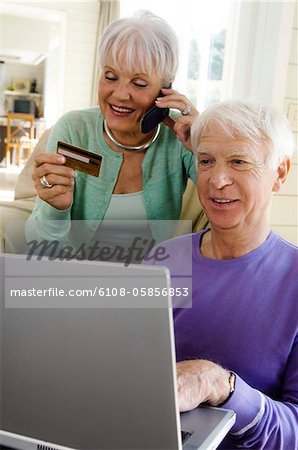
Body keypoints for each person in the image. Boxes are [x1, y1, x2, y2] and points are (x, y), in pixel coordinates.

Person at [145, 100, 298, 449]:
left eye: (239, 162)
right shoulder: (161, 262)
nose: (218, 180)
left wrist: (220, 385)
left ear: (280, 173)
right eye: (206, 161)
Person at [24, 10, 207, 262]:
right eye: (110, 76)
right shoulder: (73, 129)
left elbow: (222, 194)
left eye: (139, 83)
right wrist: (56, 208)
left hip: (147, 284)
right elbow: (40, 244)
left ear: (166, 90)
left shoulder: (177, 140)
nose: (120, 94)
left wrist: (201, 141)